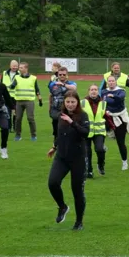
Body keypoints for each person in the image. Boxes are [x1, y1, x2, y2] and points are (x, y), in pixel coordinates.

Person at [47, 90, 89, 230]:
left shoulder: (83, 116)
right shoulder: (60, 116)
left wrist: (72, 122)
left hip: (78, 158)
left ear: (77, 102)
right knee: (52, 183)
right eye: (68, 102)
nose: (70, 104)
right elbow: (60, 134)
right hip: (62, 157)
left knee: (77, 191)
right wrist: (54, 147)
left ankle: (79, 222)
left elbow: (85, 133)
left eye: (73, 102)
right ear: (64, 103)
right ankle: (62, 206)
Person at [101, 74, 129, 170]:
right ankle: (102, 146)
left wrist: (113, 96)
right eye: (109, 81)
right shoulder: (103, 91)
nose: (111, 82)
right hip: (107, 117)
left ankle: (124, 162)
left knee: (120, 142)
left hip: (119, 117)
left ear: (116, 82)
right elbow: (102, 103)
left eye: (112, 81)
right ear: (107, 82)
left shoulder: (121, 91)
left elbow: (119, 99)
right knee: (98, 134)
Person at [82, 83, 108, 178]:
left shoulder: (103, 103)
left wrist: (112, 128)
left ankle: (101, 165)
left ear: (98, 91)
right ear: (88, 91)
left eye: (95, 89)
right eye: (92, 89)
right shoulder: (83, 102)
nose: (94, 91)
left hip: (99, 131)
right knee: (87, 152)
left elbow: (106, 116)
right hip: (86, 131)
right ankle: (89, 171)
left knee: (100, 149)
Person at [11, 62, 43, 142]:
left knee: (30, 118)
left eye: (21, 67)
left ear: (26, 69)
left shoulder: (33, 78)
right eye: (19, 67)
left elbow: (37, 89)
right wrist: (11, 85)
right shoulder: (17, 77)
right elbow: (13, 86)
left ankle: (33, 135)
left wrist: (40, 99)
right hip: (19, 101)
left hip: (29, 101)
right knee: (18, 119)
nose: (19, 69)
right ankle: (18, 135)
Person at [47, 67, 77, 141]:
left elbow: (74, 88)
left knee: (67, 128)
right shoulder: (52, 84)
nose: (62, 76)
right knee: (56, 129)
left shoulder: (71, 83)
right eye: (60, 74)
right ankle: (56, 146)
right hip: (55, 109)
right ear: (58, 75)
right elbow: (50, 95)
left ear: (67, 75)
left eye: (64, 74)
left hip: (67, 109)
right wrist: (49, 107)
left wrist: (63, 85)